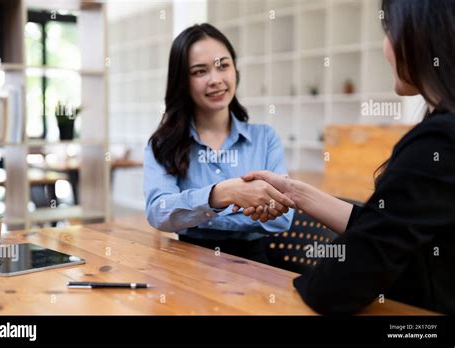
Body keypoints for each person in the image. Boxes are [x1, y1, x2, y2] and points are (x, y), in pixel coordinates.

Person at [236, 0, 455, 314]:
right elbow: (389, 228)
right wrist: (294, 191)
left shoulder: (439, 141)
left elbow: (339, 283)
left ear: (416, 35)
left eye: (389, 31)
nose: (385, 46)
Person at [144, 23, 295, 264]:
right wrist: (220, 194)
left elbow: (282, 217)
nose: (215, 80)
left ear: (235, 70)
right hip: (189, 263)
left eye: (222, 66)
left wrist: (199, 211)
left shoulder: (265, 138)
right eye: (199, 71)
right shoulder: (163, 144)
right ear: (182, 80)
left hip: (255, 267)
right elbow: (158, 212)